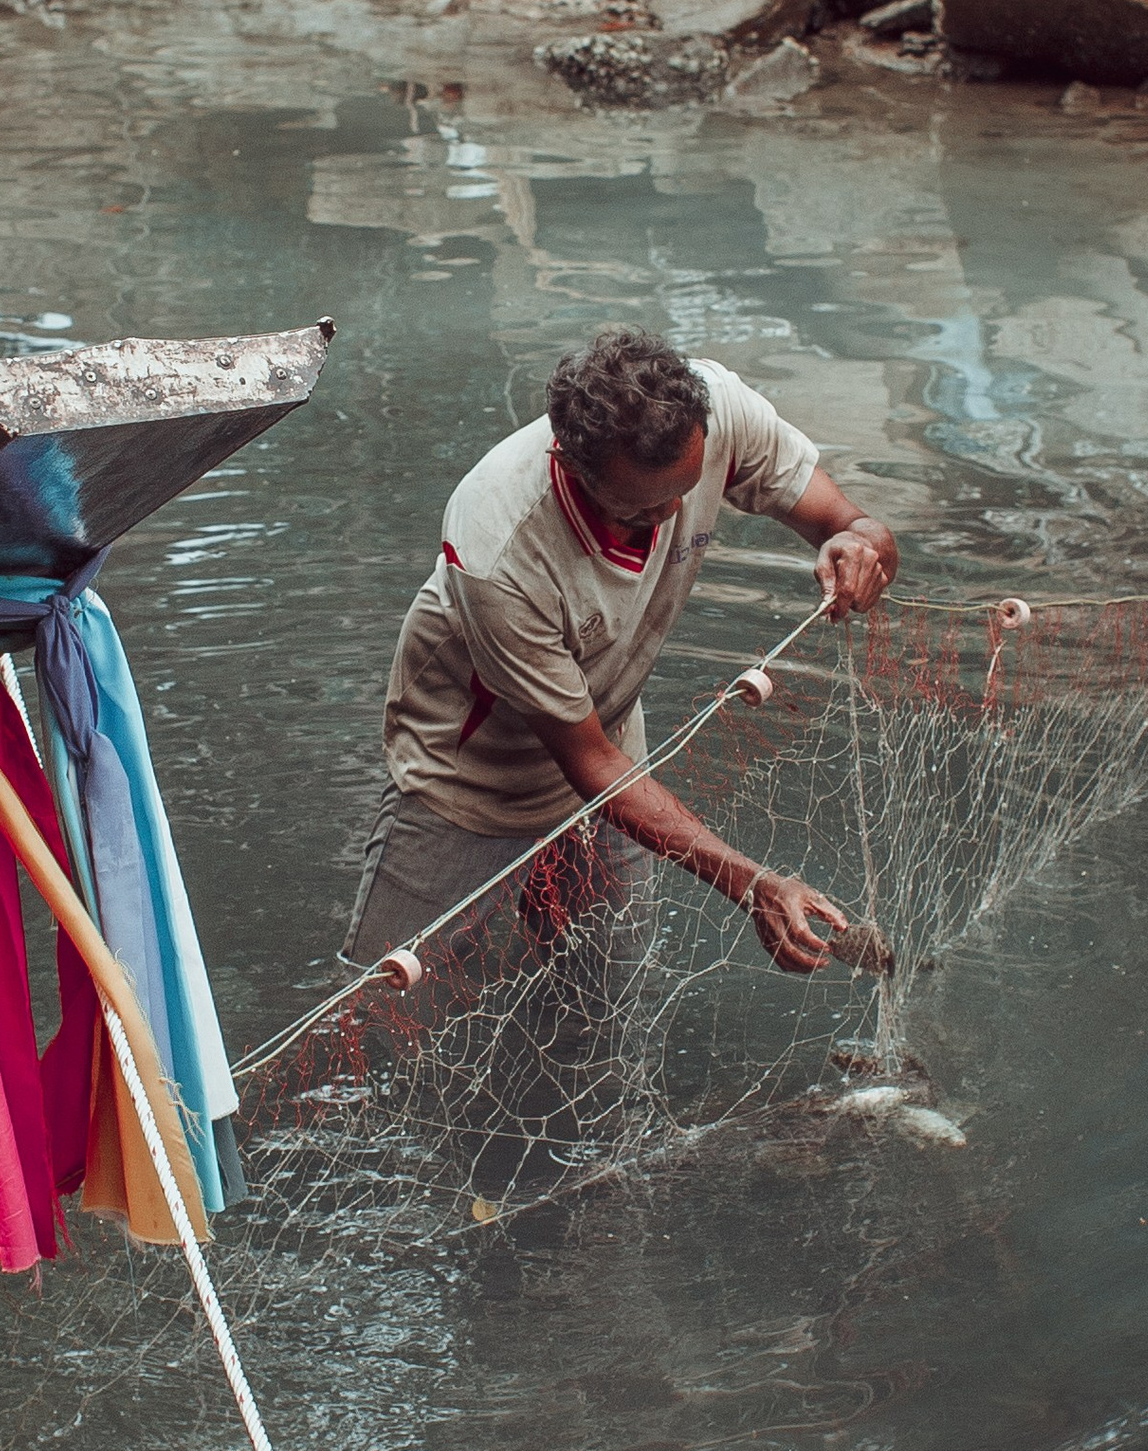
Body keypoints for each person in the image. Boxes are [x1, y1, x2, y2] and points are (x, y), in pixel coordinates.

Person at [345, 326, 897, 975]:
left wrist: (861, 546)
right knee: (382, 1013)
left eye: (685, 492)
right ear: (572, 467)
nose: (670, 517)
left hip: (610, 744)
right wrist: (753, 885)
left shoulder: (718, 412)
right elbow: (590, 765)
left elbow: (855, 525)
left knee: (604, 979)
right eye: (639, 510)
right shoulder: (498, 546)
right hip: (469, 781)